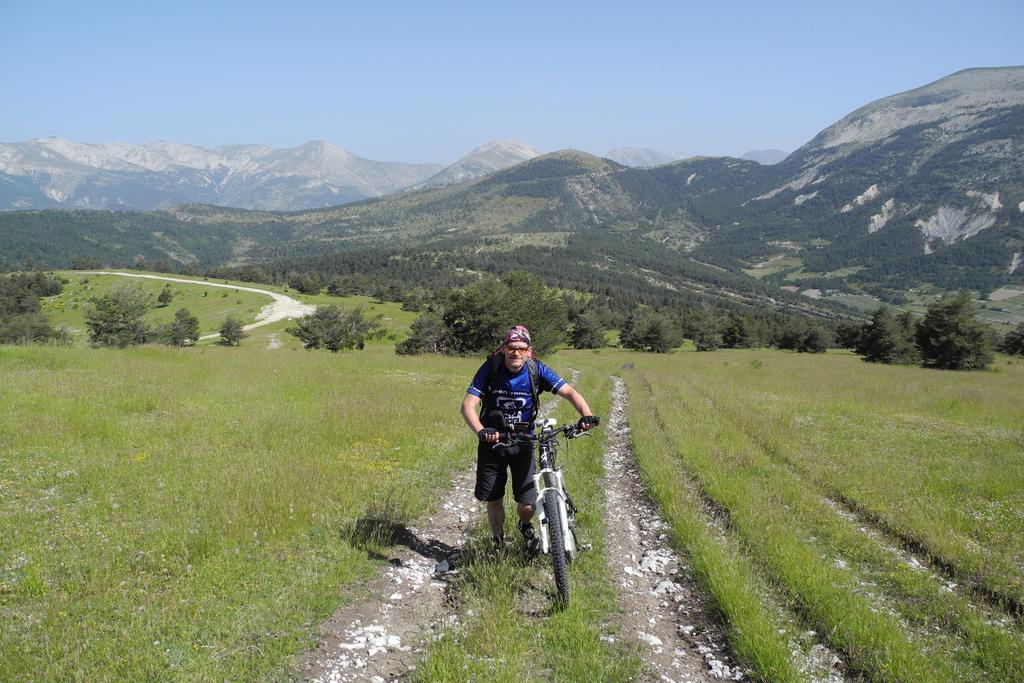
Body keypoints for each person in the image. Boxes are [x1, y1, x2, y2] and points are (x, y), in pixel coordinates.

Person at [460, 325, 599, 550]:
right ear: (504, 349)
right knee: (493, 498)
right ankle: (498, 544)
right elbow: (468, 406)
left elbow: (570, 392)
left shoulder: (536, 370)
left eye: (521, 349)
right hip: (492, 442)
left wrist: (587, 415)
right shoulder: (491, 368)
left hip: (524, 442)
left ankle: (525, 525)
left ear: (529, 351)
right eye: (512, 348)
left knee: (527, 503)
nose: (516, 352)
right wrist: (481, 431)